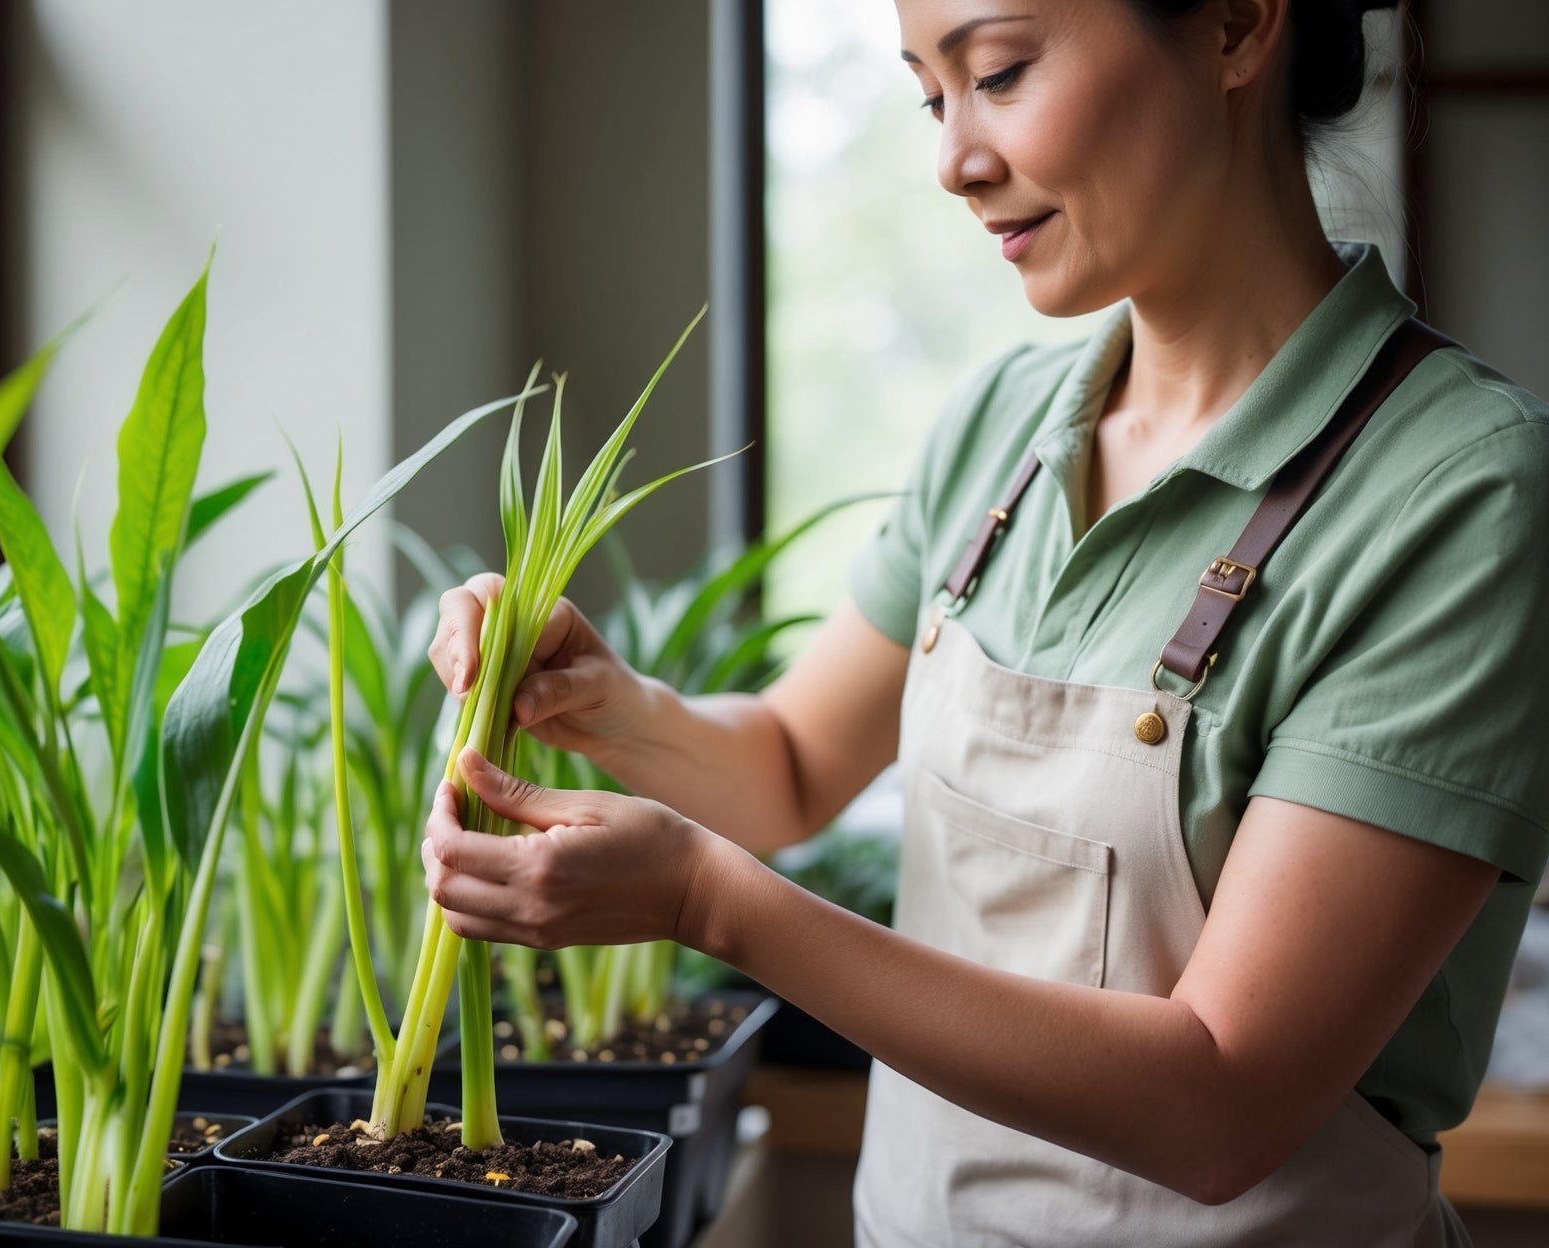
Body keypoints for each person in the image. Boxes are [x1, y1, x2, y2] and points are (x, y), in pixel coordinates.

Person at [418, 0, 1547, 1243]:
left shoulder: (1461, 491)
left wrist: (707, 902)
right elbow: (788, 768)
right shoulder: (1002, 427)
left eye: (999, 73)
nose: (953, 159)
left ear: (1233, 26)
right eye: (929, 94)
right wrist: (602, 706)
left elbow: (1221, 1101)